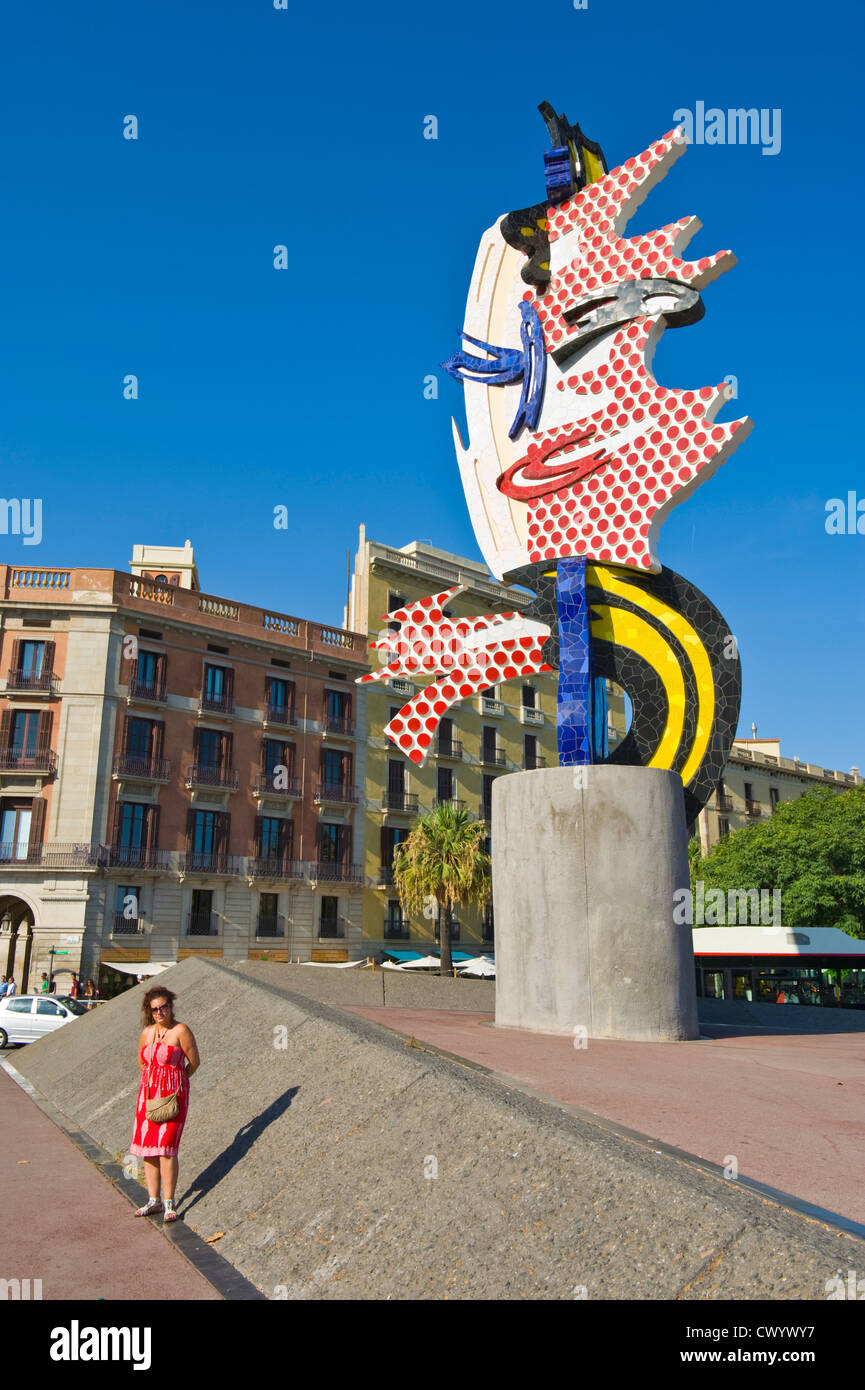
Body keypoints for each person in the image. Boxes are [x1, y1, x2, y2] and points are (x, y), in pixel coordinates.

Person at [129, 986, 199, 1224]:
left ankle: (169, 1203)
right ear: (150, 1011)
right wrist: (154, 1079)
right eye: (155, 1009)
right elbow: (141, 1061)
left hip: (174, 1096)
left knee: (167, 1148)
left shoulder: (181, 1031)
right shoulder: (147, 1032)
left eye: (164, 1007)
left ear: (171, 1006)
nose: (160, 1012)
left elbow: (194, 1062)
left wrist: (177, 1081)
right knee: (149, 1150)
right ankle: (153, 1200)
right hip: (148, 1096)